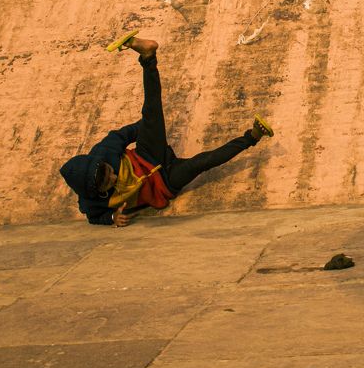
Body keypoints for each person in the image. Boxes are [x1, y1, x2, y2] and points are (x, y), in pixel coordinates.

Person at [59, 31, 274, 227]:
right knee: (203, 162)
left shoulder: (104, 152)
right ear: (94, 191)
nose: (113, 178)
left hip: (148, 155)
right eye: (107, 183)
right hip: (166, 182)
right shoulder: (90, 202)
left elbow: (126, 133)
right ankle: (253, 136)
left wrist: (150, 127)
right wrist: (112, 218)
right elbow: (93, 217)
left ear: (102, 163)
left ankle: (148, 56)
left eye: (109, 172)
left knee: (152, 108)